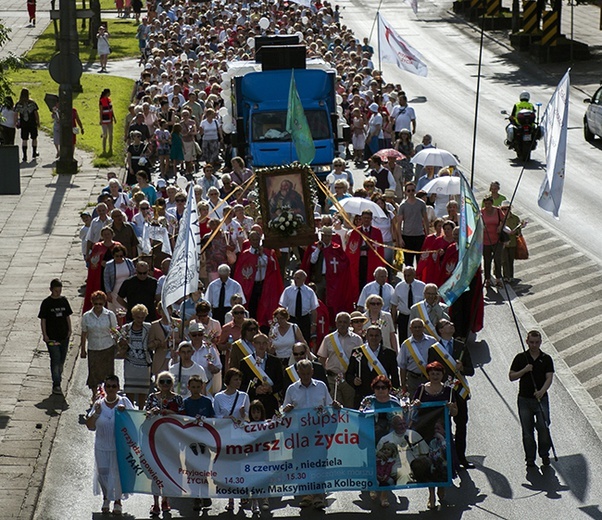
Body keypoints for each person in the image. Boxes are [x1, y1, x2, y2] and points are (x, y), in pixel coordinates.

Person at [282, 359, 336, 509]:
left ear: (312, 372)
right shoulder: (292, 389)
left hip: (319, 433)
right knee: (301, 463)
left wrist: (337, 407)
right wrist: (285, 409)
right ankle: (306, 493)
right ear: (298, 373)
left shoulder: (321, 386)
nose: (305, 376)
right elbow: (283, 411)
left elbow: (329, 406)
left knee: (319, 463)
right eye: (302, 374)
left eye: (308, 373)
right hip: (300, 435)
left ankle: (319, 495)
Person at [86, 375, 135, 515]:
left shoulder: (124, 402)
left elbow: (134, 423)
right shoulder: (99, 404)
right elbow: (90, 426)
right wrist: (96, 413)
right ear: (105, 388)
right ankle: (106, 497)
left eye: (114, 386)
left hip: (119, 447)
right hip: (101, 446)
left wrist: (124, 414)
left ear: (118, 388)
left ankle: (118, 501)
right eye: (108, 386)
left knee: (118, 473)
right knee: (103, 473)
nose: (111, 389)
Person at [412, 361, 458, 509]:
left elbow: (455, 412)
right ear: (428, 375)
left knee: (443, 461)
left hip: (443, 432)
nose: (435, 376)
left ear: (442, 374)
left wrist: (452, 408)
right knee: (429, 462)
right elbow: (412, 409)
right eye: (432, 373)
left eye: (438, 373)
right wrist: (416, 403)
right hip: (426, 432)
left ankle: (442, 486)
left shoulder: (449, 391)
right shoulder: (421, 389)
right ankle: (431, 494)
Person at [429, 319, 474, 468]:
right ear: (441, 330)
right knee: (443, 427)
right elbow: (430, 372)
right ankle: (446, 458)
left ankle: (461, 458)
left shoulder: (461, 346)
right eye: (448, 324)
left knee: (461, 426)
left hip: (459, 392)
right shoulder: (434, 349)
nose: (452, 324)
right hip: (442, 392)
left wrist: (462, 368)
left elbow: (471, 370)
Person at [509, 330, 554, 468]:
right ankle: (530, 458)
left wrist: (541, 391)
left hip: (541, 399)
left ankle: (544, 454)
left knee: (543, 427)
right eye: (531, 342)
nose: (534, 345)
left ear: (540, 342)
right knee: (527, 432)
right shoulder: (521, 358)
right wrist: (524, 370)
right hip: (524, 400)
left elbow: (549, 378)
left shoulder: (546, 358)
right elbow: (511, 376)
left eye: (537, 342)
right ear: (527, 341)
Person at [144, 371, 184, 516]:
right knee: (155, 472)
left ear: (172, 383)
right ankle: (155, 502)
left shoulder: (178, 398)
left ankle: (165, 499)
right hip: (155, 440)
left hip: (172, 441)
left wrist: (170, 413)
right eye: (162, 382)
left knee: (168, 471)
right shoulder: (152, 397)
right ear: (157, 384)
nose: (165, 385)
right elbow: (144, 414)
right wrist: (150, 413)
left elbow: (184, 417)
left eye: (168, 382)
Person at [359, 375, 401, 508]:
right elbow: (359, 416)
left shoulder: (394, 402)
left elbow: (401, 419)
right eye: (377, 387)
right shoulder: (368, 401)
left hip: (388, 441)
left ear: (388, 389)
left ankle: (384, 496)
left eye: (384, 387)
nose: (381, 390)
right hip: (371, 438)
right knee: (372, 465)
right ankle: (372, 486)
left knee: (385, 467)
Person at [301, 226, 353, 325]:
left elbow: (344, 263)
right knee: (318, 301)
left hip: (333, 280)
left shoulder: (336, 248)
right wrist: (318, 249)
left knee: (331, 301)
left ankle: (331, 323)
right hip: (319, 278)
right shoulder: (315, 247)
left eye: (329, 236)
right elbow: (312, 261)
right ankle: (318, 322)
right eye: (325, 236)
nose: (327, 238)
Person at [233, 231, 283, 328]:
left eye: (257, 240)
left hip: (265, 284)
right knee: (252, 305)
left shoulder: (267, 252)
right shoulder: (245, 254)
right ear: (249, 240)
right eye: (253, 240)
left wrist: (262, 255)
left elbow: (273, 266)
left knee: (264, 305)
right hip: (251, 285)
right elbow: (240, 272)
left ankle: (263, 324)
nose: (255, 242)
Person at [346, 325, 399, 408]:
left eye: (376, 335)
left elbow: (395, 377)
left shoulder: (390, 354)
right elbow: (349, 374)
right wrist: (354, 380)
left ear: (381, 337)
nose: (374, 338)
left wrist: (395, 394)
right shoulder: (357, 351)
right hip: (362, 395)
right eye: (371, 335)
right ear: (366, 337)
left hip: (382, 396)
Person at [317, 312, 363, 408]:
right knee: (334, 408)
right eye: (340, 322)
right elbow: (322, 359)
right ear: (336, 323)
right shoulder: (328, 339)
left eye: (345, 322)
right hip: (332, 379)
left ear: (349, 323)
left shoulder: (357, 339)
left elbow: (360, 360)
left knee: (349, 408)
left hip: (348, 380)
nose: (342, 324)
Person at [80, 290, 118, 401]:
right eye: (96, 303)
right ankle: (94, 394)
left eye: (100, 304)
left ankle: (107, 394)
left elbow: (115, 331)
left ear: (104, 303)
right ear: (92, 303)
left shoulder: (109, 315)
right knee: (94, 372)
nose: (98, 306)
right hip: (93, 347)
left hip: (107, 347)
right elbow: (84, 333)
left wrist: (119, 344)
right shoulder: (87, 316)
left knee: (108, 373)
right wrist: (83, 349)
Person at [38, 278, 73, 395]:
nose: (58, 293)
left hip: (64, 336)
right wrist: (45, 335)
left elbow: (67, 316)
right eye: (56, 291)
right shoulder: (46, 303)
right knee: (55, 359)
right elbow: (43, 320)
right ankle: (56, 384)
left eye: (60, 290)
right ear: (51, 290)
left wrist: (70, 329)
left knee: (62, 359)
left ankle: (58, 373)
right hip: (52, 337)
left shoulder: (64, 301)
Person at [239, 333, 283, 418]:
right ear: (253, 344)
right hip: (253, 404)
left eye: (264, 343)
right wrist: (255, 390)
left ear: (268, 344)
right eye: (258, 343)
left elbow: (280, 383)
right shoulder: (245, 363)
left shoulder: (275, 361)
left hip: (271, 402)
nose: (261, 346)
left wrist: (271, 389)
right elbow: (241, 385)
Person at [345, 210, 385, 301]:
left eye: (368, 218)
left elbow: (379, 248)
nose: (366, 220)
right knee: (358, 280)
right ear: (361, 218)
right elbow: (350, 248)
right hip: (359, 261)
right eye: (364, 218)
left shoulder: (376, 232)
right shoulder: (356, 231)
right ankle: (358, 299)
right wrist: (360, 248)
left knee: (370, 279)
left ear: (371, 219)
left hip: (371, 261)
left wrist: (370, 249)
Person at [83, 226, 122, 314]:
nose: (107, 236)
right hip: (100, 275)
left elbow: (121, 257)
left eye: (108, 234)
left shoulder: (117, 245)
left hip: (115, 274)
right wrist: (98, 263)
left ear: (112, 234)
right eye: (104, 234)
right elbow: (93, 261)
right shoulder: (97, 246)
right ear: (102, 236)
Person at [120, 304, 152, 408]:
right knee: (130, 390)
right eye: (138, 317)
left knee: (143, 391)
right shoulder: (126, 328)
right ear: (133, 316)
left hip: (144, 363)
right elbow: (119, 344)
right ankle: (130, 410)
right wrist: (123, 343)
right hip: (130, 363)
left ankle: (141, 411)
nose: (140, 320)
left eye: (143, 317)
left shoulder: (148, 327)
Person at [398, 318, 438, 397]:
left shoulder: (432, 341)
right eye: (415, 327)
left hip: (430, 378)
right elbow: (402, 366)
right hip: (413, 379)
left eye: (419, 327)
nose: (417, 329)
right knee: (414, 403)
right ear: (410, 329)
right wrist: (403, 384)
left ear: (424, 328)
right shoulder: (406, 345)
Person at [394, 181, 430, 267]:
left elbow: (425, 220)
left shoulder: (421, 204)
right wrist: (400, 238)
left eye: (412, 190)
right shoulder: (403, 205)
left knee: (420, 261)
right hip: (407, 236)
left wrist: (427, 236)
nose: (411, 193)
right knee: (408, 263)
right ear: (405, 192)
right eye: (408, 191)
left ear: (415, 191)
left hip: (419, 235)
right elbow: (399, 223)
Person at [391, 266, 426, 340]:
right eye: (405, 275)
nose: (406, 278)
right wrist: (393, 322)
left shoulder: (422, 286)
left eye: (409, 275)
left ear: (414, 275)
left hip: (417, 316)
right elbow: (394, 305)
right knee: (403, 339)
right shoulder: (399, 286)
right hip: (403, 317)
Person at [481, 195, 504, 288]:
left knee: (497, 259)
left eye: (489, 204)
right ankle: (488, 279)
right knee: (487, 260)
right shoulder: (481, 212)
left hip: (497, 240)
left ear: (492, 203)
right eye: (486, 204)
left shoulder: (498, 211)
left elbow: (503, 220)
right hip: (485, 240)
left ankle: (498, 279)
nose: (487, 206)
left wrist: (500, 226)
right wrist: (482, 227)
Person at [500, 200, 524, 283]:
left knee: (510, 260)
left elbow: (519, 231)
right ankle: (506, 276)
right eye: (502, 209)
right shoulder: (500, 218)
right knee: (504, 260)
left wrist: (516, 231)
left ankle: (510, 276)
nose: (504, 211)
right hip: (503, 242)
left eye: (506, 209)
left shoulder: (515, 218)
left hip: (512, 242)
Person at [15, 88, 40, 162]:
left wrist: (16, 122)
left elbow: (16, 114)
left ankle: (25, 156)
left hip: (24, 124)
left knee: (24, 139)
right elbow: (36, 113)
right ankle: (34, 152)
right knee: (34, 138)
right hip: (32, 123)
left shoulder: (19, 104)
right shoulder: (32, 103)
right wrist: (38, 122)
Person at [99, 89, 116, 155]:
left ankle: (110, 148)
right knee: (105, 134)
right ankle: (104, 149)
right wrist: (100, 120)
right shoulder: (101, 101)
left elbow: (111, 109)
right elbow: (101, 111)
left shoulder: (109, 100)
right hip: (104, 119)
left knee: (111, 134)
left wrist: (114, 117)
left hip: (110, 119)